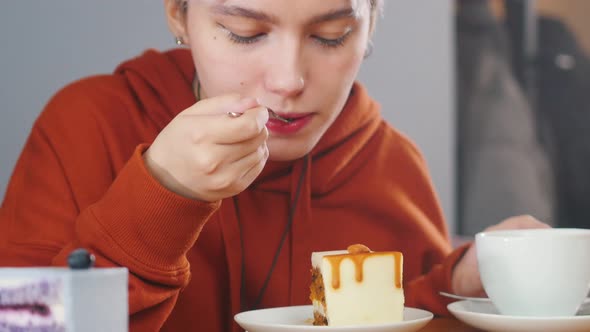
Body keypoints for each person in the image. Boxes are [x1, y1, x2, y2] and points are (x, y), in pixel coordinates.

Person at [0, 1, 547, 331]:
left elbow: (405, 318)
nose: (288, 80)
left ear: (370, 23)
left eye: (331, 34)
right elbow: (24, 323)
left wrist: (457, 286)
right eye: (245, 31)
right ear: (179, 13)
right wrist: (160, 197)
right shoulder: (87, 125)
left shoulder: (393, 166)